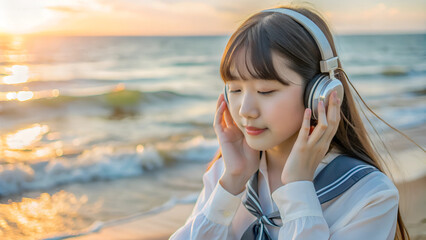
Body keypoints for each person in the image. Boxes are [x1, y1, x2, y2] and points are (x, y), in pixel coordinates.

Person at [170, 5, 411, 240]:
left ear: (320, 93)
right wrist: (231, 184)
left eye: (266, 91)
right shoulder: (227, 173)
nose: (245, 110)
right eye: (235, 89)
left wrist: (299, 190)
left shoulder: (368, 195)